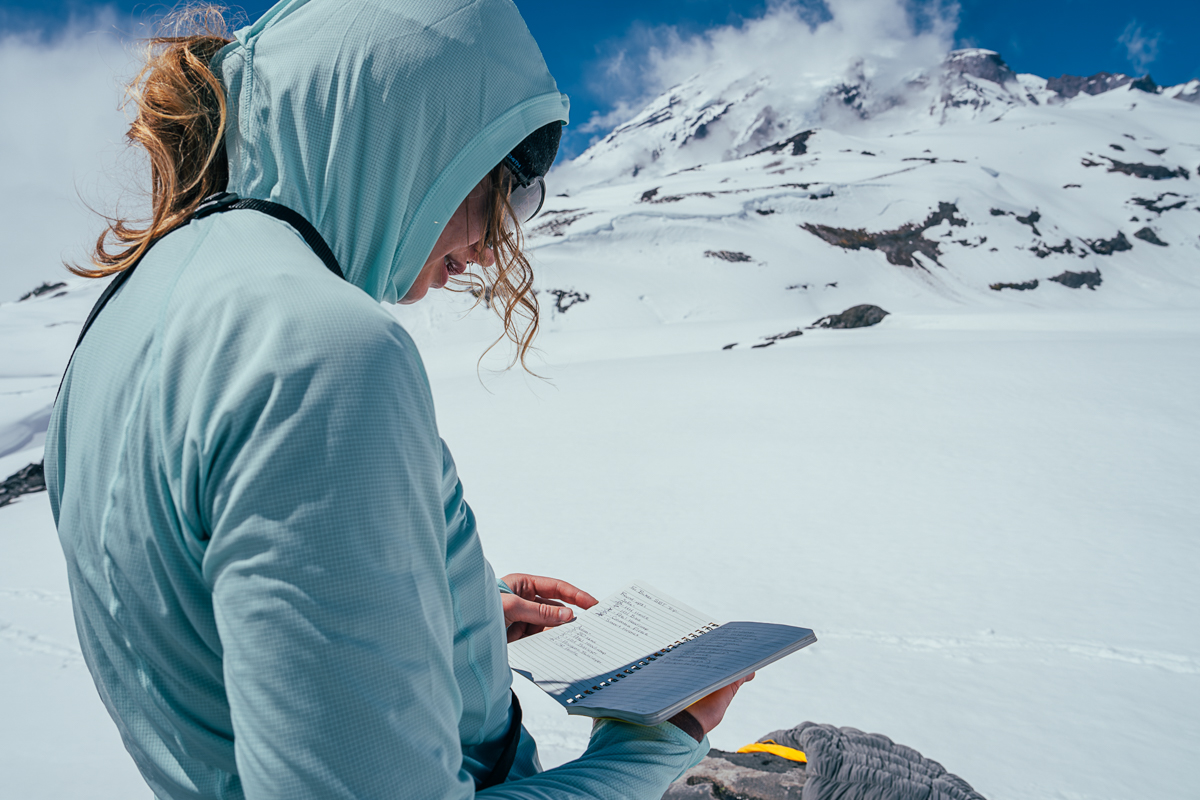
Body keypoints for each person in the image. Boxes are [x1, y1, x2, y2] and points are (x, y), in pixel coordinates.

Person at [45, 2, 750, 798]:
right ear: (409, 141)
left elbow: (213, 625)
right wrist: (654, 747)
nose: (491, 244)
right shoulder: (320, 347)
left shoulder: (129, 314)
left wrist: (450, 618)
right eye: (499, 190)